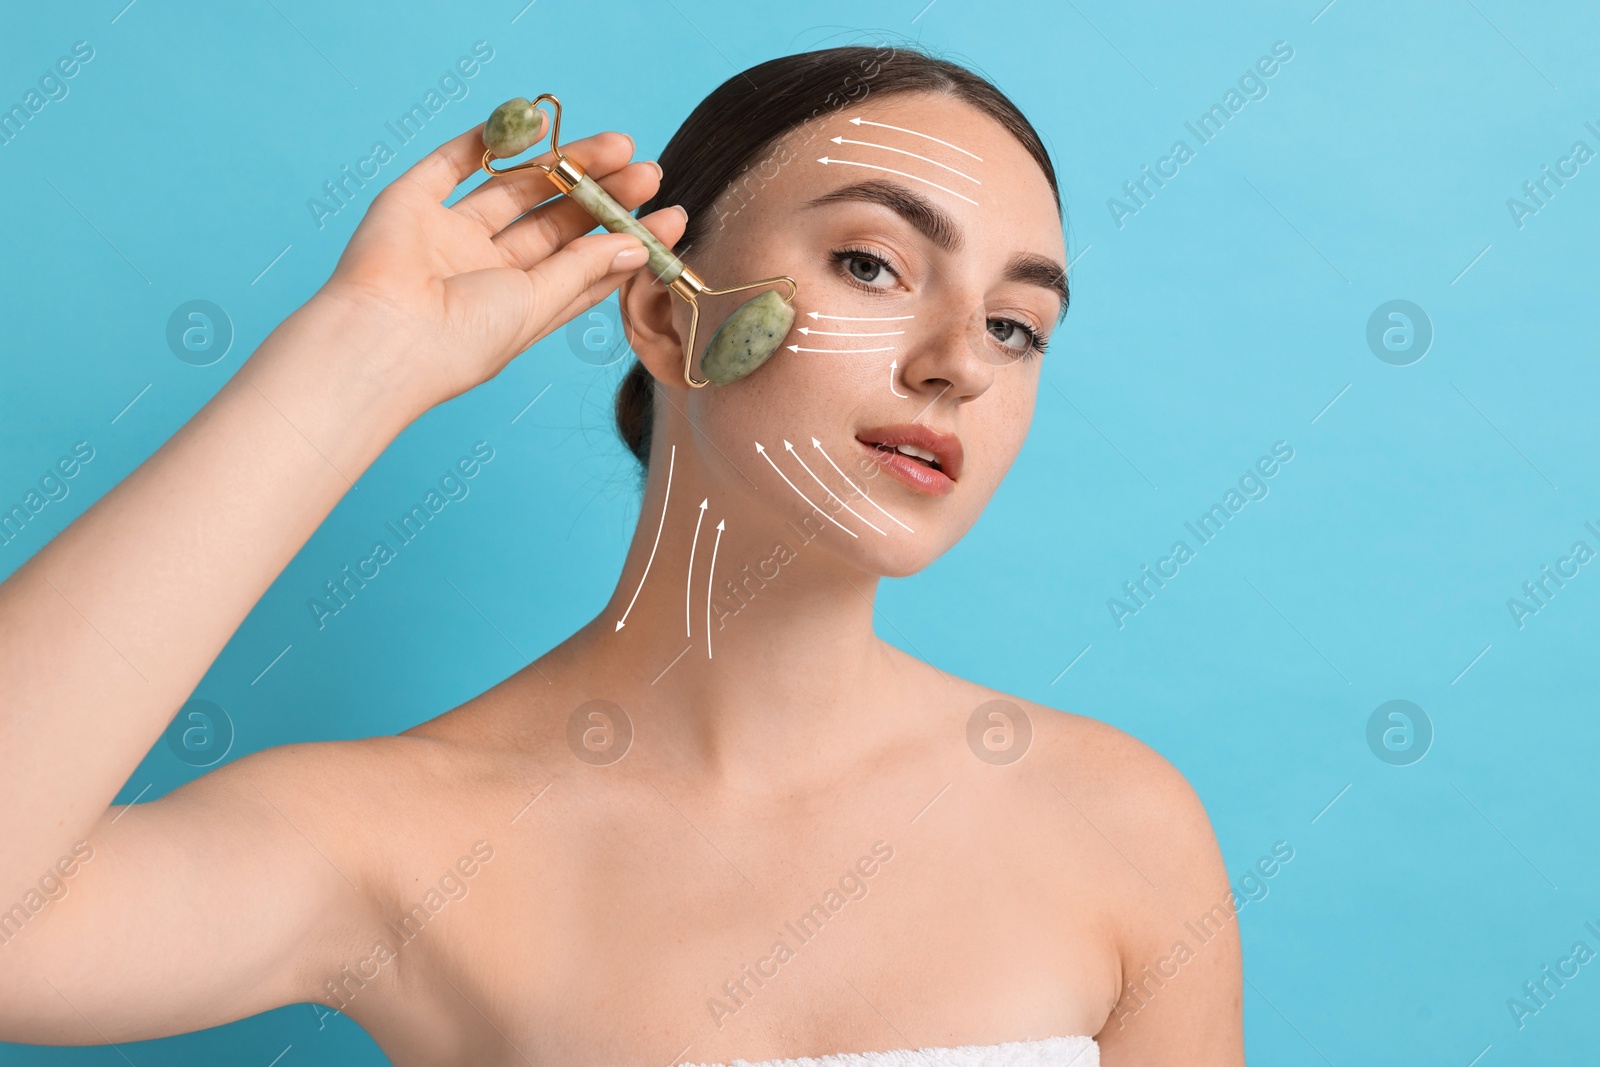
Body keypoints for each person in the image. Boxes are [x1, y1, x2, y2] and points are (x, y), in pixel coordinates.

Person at [0, 43, 1243, 1066]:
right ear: (663, 311)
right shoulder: (399, 838)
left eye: (1019, 326)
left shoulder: (1115, 824)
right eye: (871, 262)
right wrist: (355, 365)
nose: (960, 362)